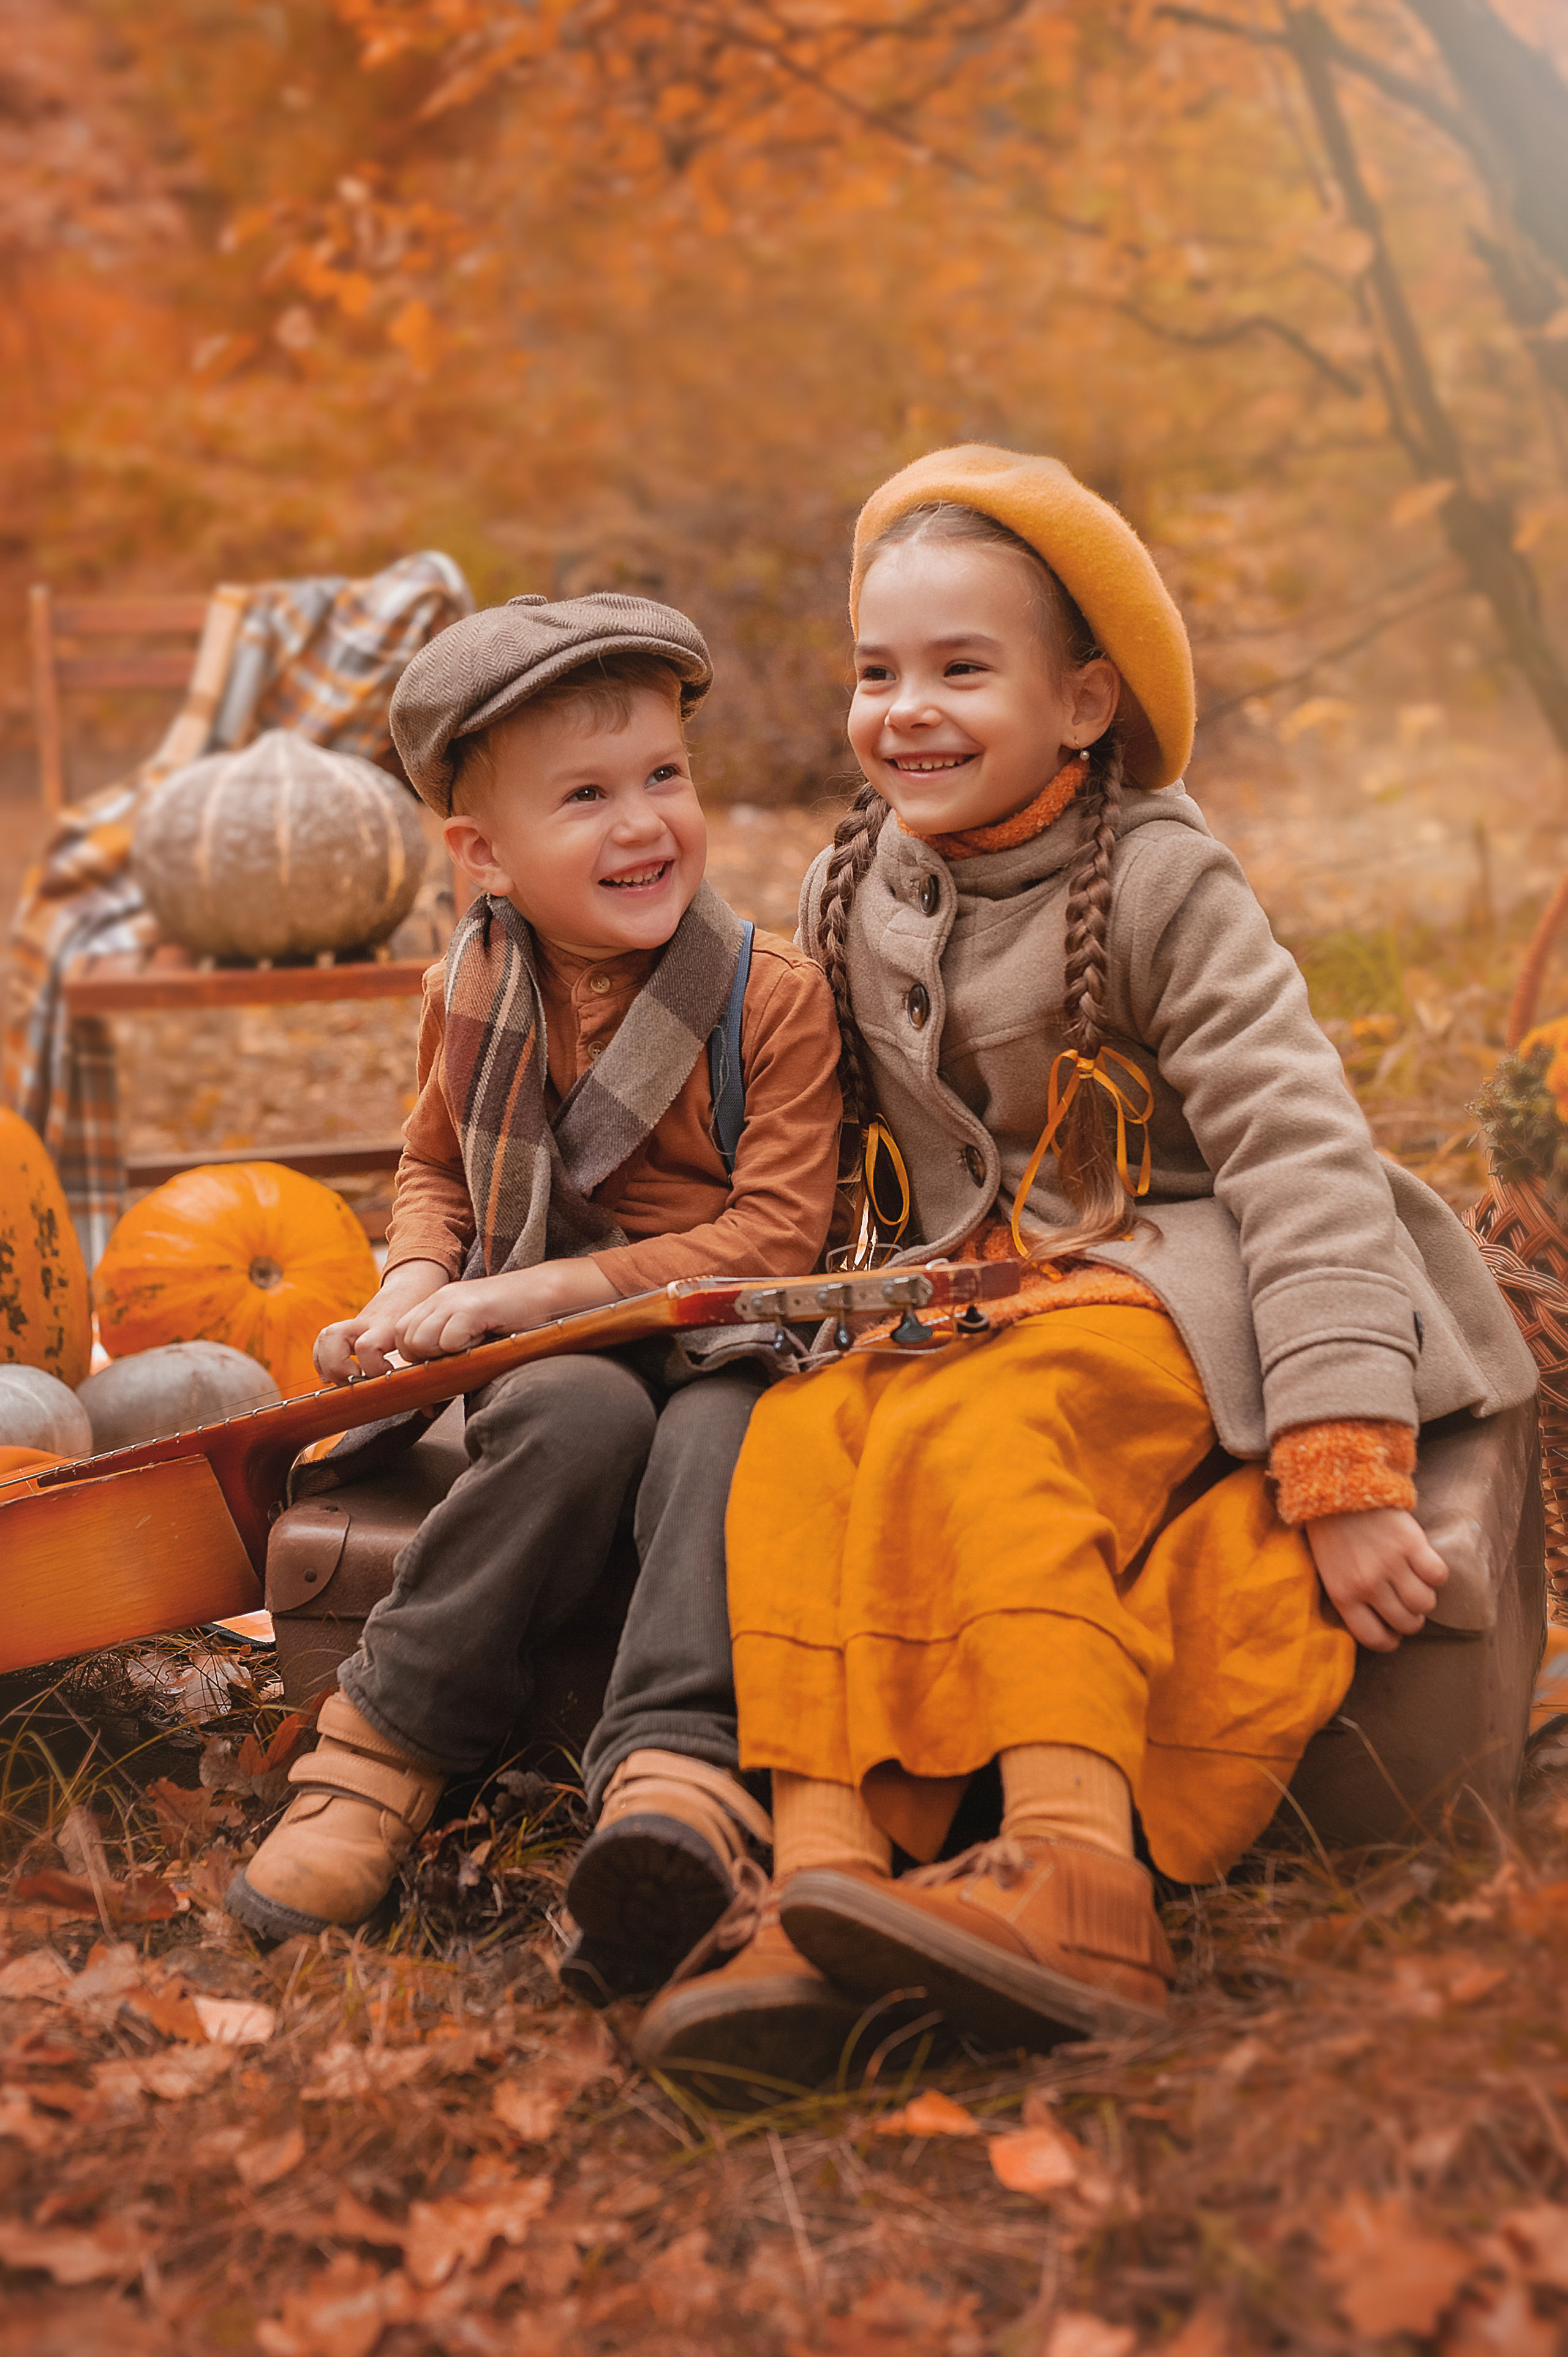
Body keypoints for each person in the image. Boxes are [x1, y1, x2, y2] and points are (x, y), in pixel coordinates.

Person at [633, 447, 1536, 2086]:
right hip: (985, 1274)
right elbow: (818, 1142)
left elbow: (1299, 1148)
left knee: (996, 1424)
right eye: (877, 672)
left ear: (1084, 704)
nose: (907, 709)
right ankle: (830, 1879)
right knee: (812, 1435)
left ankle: (1074, 1869)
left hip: (1189, 1267)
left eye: (962, 670)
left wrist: (1348, 1449)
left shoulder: (1170, 880)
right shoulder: (862, 878)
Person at [227, 592, 843, 1987]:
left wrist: (543, 1285)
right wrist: (418, 1272)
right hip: (547, 1334)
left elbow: (776, 1237)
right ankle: (382, 1746)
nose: (642, 823)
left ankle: (674, 1777)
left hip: (725, 1332)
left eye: (662, 777)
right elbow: (434, 1167)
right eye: (585, 796)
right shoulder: (473, 985)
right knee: (570, 1415)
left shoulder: (767, 997)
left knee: (714, 1433)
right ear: (482, 855)